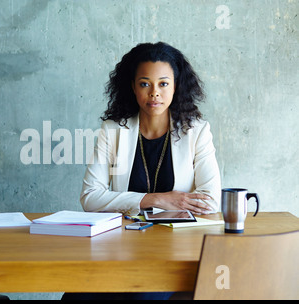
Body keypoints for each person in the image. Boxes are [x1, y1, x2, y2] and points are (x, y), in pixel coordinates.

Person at [80, 42, 221, 216]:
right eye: (145, 84)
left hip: (180, 238)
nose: (154, 93)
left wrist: (128, 201)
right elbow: (89, 197)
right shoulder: (112, 130)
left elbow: (211, 202)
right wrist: (155, 200)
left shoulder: (197, 131)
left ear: (175, 86)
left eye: (163, 84)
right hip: (127, 236)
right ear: (133, 87)